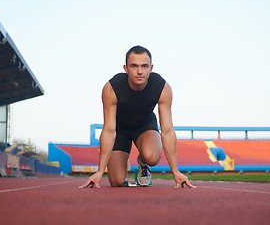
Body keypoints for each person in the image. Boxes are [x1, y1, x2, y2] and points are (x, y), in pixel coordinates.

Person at [80, 45, 195, 188]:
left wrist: (176, 171)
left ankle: (143, 162)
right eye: (134, 66)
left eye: (144, 66)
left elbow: (167, 130)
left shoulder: (162, 87)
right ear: (125, 68)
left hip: (144, 125)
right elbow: (109, 130)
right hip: (120, 128)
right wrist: (99, 171)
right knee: (116, 182)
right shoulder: (111, 88)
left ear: (151, 68)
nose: (140, 71)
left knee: (151, 156)